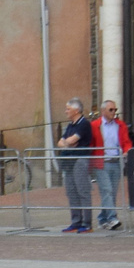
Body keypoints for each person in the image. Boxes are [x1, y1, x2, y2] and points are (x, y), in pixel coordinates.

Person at [90, 99, 132, 230]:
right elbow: (91, 144)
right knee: (107, 190)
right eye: (111, 110)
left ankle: (102, 218)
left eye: (115, 110)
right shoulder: (95, 125)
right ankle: (112, 218)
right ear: (103, 111)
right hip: (102, 163)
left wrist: (126, 151)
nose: (114, 112)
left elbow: (126, 141)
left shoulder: (120, 125)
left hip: (116, 161)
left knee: (111, 192)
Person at [58, 98, 94, 233]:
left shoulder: (84, 124)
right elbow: (61, 142)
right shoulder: (70, 125)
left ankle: (87, 223)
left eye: (68, 109)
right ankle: (75, 222)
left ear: (76, 110)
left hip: (80, 159)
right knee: (71, 192)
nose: (66, 111)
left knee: (83, 191)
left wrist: (68, 143)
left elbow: (72, 140)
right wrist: (68, 143)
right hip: (68, 161)